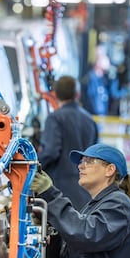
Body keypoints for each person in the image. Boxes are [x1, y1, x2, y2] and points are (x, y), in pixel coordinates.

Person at [31, 143, 130, 258]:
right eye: (81, 162)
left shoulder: (119, 204)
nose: (80, 166)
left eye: (88, 162)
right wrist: (47, 225)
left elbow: (87, 235)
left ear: (110, 170)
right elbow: (74, 253)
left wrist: (50, 196)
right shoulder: (95, 205)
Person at [38, 75, 98, 211]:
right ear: (78, 94)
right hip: (86, 191)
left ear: (55, 95)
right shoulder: (90, 120)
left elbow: (50, 152)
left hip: (59, 190)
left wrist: (31, 166)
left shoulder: (55, 118)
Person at [81, 45, 126, 116]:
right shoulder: (91, 79)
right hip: (96, 117)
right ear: (97, 60)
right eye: (103, 56)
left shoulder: (105, 78)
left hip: (102, 115)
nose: (107, 60)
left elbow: (114, 93)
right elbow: (93, 103)